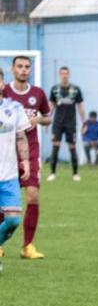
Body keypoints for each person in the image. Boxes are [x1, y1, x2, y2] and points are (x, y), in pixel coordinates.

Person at [2, 55, 50, 260]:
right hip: (6, 151)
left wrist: (37, 118)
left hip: (29, 149)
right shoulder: (6, 93)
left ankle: (28, 245)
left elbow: (48, 117)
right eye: (20, 66)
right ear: (12, 69)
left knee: (33, 195)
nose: (24, 70)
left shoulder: (38, 93)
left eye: (27, 67)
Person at [0, 67, 31, 272]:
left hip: (9, 175)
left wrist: (26, 161)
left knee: (12, 221)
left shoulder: (14, 108)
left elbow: (21, 136)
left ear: (2, 84)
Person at [48, 66, 85, 182]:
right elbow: (51, 106)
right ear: (59, 75)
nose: (64, 75)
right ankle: (53, 173)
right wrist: (47, 119)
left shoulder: (76, 89)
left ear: (69, 75)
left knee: (72, 147)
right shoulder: (54, 89)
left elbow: (80, 107)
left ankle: (75, 173)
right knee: (55, 146)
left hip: (70, 124)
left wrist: (84, 122)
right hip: (58, 123)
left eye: (66, 73)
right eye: (62, 73)